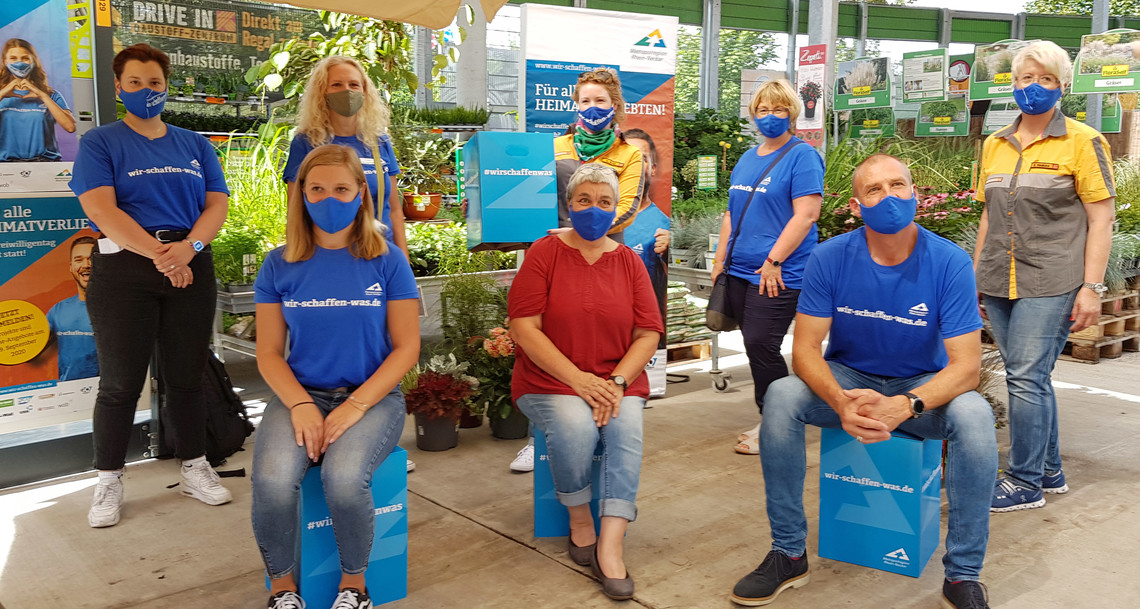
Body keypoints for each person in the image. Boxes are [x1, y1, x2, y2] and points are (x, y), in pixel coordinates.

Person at [729, 154, 997, 609]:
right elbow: (806, 351)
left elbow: (966, 367)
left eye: (898, 186)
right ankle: (788, 552)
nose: (889, 197)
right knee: (781, 396)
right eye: (874, 190)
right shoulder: (830, 258)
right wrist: (839, 402)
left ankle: (963, 574)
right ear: (856, 206)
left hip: (920, 387)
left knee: (975, 415)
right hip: (850, 381)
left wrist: (906, 404)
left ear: (915, 194)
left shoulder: (948, 262)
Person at [69, 43, 231, 528]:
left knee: (186, 375)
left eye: (155, 82)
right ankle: (109, 479)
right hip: (126, 271)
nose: (146, 90)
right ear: (119, 88)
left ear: (167, 86)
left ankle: (195, 467)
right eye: (135, 82)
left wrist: (191, 251)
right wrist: (162, 256)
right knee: (120, 384)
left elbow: (216, 205)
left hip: (190, 262)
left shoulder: (194, 144)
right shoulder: (101, 143)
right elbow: (101, 209)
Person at [252, 144, 420, 609]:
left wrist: (356, 405)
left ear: (361, 193)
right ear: (300, 194)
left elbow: (407, 348)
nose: (329, 198)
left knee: (344, 480)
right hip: (300, 394)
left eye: (341, 188)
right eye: (317, 188)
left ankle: (354, 587)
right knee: (270, 481)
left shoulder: (387, 260)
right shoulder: (278, 263)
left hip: (373, 397)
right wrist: (302, 405)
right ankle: (282, 590)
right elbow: (268, 354)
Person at [510, 163, 663, 600]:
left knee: (626, 430)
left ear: (616, 210)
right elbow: (524, 327)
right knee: (576, 427)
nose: (593, 209)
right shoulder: (545, 253)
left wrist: (615, 382)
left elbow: (647, 332)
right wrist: (578, 380)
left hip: (617, 380)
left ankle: (611, 545)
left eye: (604, 202)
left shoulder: (630, 262)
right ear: (569, 204)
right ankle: (580, 519)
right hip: (549, 380)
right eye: (584, 200)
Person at [975, 41, 1116, 513]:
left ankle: (1024, 480)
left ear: (1062, 85)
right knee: (1029, 379)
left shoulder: (1083, 140)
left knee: (1025, 377)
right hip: (999, 278)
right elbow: (988, 219)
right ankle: (1049, 469)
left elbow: (1101, 219)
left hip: (1052, 278)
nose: (1032, 88)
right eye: (1024, 79)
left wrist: (1092, 288)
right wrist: (975, 277)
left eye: (1045, 79)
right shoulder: (993, 144)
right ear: (1012, 84)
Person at [710, 79, 823, 456]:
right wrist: (720, 258)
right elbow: (732, 213)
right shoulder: (747, 158)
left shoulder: (802, 156)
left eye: (778, 109)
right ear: (753, 114)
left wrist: (774, 261)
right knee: (753, 344)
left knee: (762, 342)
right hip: (739, 269)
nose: (770, 116)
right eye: (762, 110)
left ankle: (778, 422)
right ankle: (773, 414)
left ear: (792, 113)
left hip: (778, 272)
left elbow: (806, 215)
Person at [284, 56, 408, 256]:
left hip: (380, 253)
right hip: (327, 255)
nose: (347, 91)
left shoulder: (379, 142)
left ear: (365, 91)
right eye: (336, 85)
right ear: (322, 92)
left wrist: (403, 261)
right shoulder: (306, 143)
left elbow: (394, 211)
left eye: (354, 84)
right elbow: (295, 212)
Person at [553, 68, 644, 243]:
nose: (592, 107)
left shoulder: (629, 153)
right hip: (556, 244)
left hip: (604, 247)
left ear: (614, 105)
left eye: (600, 100)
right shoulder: (554, 147)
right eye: (585, 101)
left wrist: (582, 230)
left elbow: (627, 209)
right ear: (578, 105)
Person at [0, 38, 76, 161]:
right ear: (5, 61)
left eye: (25, 58)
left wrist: (43, 96)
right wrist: (3, 93)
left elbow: (70, 127)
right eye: (13, 58)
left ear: (33, 61)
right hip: (5, 166)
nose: (19, 63)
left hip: (45, 164)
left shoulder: (52, 95)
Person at [45, 236, 98, 381]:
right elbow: (33, 344)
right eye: (78, 260)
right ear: (71, 267)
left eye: (92, 258)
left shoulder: (119, 307)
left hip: (109, 393)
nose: (86, 264)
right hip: (68, 393)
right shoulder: (58, 310)